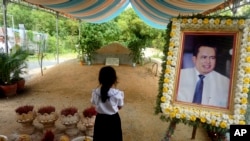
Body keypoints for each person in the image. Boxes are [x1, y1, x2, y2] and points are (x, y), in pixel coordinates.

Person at [177, 43, 230, 108]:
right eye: (204, 57)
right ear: (194, 59)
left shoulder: (225, 83)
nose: (208, 61)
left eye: (212, 58)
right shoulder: (179, 76)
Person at [91, 66, 124, 141]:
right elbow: (120, 106)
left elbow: (94, 103)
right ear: (114, 80)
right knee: (114, 137)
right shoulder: (117, 94)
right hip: (113, 120)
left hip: (100, 119)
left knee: (100, 137)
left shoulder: (95, 92)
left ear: (100, 80)